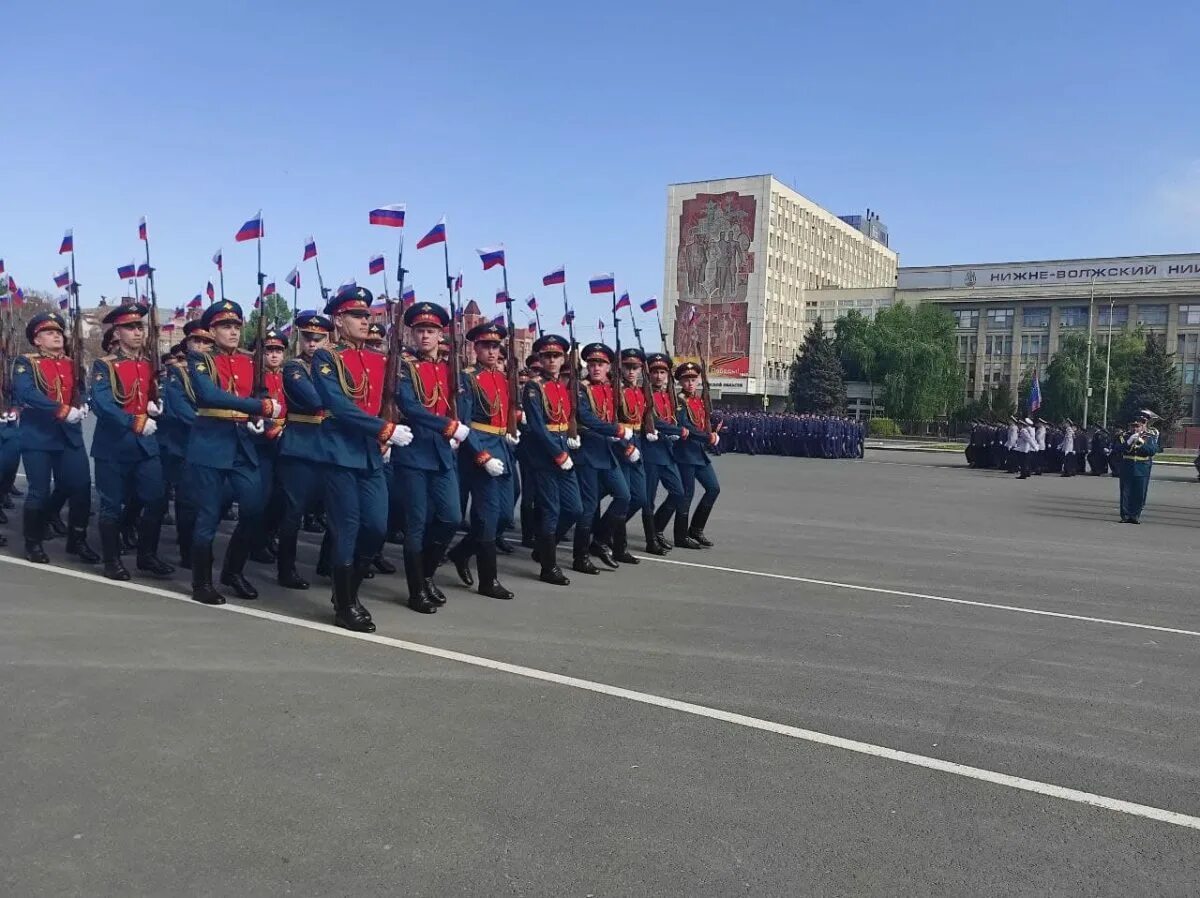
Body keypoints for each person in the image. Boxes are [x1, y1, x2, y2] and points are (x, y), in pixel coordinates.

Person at [312, 287, 414, 629]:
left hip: (370, 454)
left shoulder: (379, 359)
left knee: (376, 527)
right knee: (348, 529)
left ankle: (349, 591)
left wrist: (391, 426)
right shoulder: (326, 357)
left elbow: (392, 399)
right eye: (356, 316)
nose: (364, 321)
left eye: (366, 315)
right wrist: (383, 431)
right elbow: (338, 406)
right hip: (340, 453)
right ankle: (345, 604)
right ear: (339, 320)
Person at [184, 300, 281, 605]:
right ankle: (202, 581)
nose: (233, 332)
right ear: (212, 330)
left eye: (237, 326)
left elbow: (261, 391)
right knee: (208, 517)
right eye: (226, 326)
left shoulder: (250, 360)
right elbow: (209, 395)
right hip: (211, 444)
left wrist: (260, 415)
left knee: (253, 509)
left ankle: (233, 571)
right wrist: (257, 407)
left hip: (242, 443)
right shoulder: (201, 360)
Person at [88, 303, 174, 580]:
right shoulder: (105, 365)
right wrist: (136, 421)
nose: (137, 332)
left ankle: (146, 556)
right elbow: (102, 404)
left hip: (145, 446)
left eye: (140, 327)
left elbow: (149, 394)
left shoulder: (147, 364)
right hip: (114, 446)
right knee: (112, 505)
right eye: (130, 327)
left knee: (157, 499)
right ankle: (112, 560)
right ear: (117, 331)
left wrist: (154, 405)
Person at [11, 310, 98, 565]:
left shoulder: (73, 363)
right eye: (49, 333)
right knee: (39, 490)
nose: (56, 336)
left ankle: (77, 539)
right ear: (37, 340)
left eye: (59, 332)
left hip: (69, 435)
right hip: (39, 435)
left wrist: (83, 405)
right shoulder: (25, 363)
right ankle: (33, 541)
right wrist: (61, 409)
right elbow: (27, 392)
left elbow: (81, 390)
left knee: (80, 487)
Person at [395, 301, 465, 612]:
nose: (425, 336)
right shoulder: (403, 366)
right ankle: (416, 590)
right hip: (413, 451)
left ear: (441, 334)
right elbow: (410, 407)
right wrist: (448, 426)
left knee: (451, 517)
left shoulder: (451, 367)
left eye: (431, 330)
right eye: (420, 330)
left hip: (441, 452)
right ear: (411, 333)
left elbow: (458, 405)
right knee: (417, 523)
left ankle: (426, 575)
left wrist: (459, 429)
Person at [445, 321, 516, 600]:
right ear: (475, 348)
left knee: (505, 516)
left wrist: (513, 432)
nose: (491, 350)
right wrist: (481, 455)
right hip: (480, 450)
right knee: (487, 517)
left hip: (502, 447)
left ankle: (461, 553)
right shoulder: (467, 378)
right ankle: (489, 580)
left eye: (495, 346)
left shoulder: (502, 377)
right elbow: (464, 422)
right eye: (485, 345)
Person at [275, 311, 335, 590]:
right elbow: (314, 401)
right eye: (308, 338)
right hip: (300, 444)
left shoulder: (333, 366)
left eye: (319, 338)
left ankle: (328, 562)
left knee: (336, 508)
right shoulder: (293, 368)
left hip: (329, 446)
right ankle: (286, 569)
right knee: (293, 511)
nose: (312, 344)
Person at [521, 334, 581, 585]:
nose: (552, 360)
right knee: (551, 510)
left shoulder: (562, 387)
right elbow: (537, 426)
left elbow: (567, 418)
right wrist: (557, 453)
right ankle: (549, 566)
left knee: (575, 508)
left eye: (556, 356)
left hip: (564, 449)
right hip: (546, 455)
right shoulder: (534, 387)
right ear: (540, 359)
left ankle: (543, 549)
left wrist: (572, 436)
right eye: (547, 356)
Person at [573, 342, 634, 573]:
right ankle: (580, 557)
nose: (596, 367)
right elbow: (586, 417)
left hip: (607, 452)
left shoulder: (610, 389)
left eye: (601, 363)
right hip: (588, 453)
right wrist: (617, 432)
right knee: (588, 507)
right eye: (592, 363)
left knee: (624, 496)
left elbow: (612, 416)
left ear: (609, 366)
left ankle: (599, 541)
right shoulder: (581, 388)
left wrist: (623, 440)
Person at [671, 362, 720, 548]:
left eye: (693, 379)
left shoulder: (699, 400)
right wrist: (708, 437)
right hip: (685, 453)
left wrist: (713, 431)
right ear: (680, 382)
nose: (690, 383)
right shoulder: (680, 402)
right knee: (687, 495)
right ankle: (680, 536)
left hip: (698, 453)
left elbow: (702, 423)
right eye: (686, 380)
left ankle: (696, 529)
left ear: (698, 380)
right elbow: (688, 428)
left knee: (713, 488)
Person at [644, 352, 687, 554]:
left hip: (666, 452)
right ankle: (651, 539)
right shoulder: (645, 394)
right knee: (648, 500)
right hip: (650, 453)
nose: (659, 376)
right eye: (654, 372)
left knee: (678, 493)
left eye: (662, 372)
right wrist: (678, 431)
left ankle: (657, 530)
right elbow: (655, 421)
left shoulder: (669, 396)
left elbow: (672, 419)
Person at [1117, 411, 1159, 524]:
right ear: (1130, 426)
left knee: (1139, 493)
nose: (1135, 428)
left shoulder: (1149, 437)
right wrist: (1129, 441)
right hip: (1127, 467)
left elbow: (1152, 451)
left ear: (1142, 426)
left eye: (1138, 426)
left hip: (1142, 468)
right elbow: (1117, 449)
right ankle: (1125, 516)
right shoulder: (1124, 436)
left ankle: (1135, 516)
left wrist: (1142, 443)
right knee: (1126, 493)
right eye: (1133, 426)